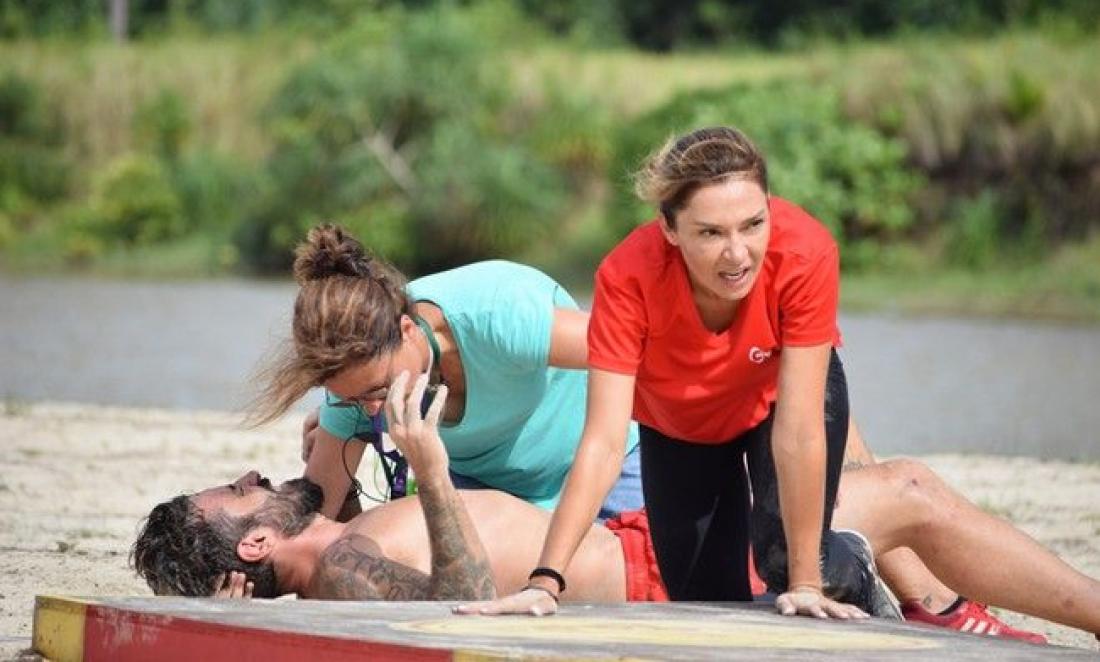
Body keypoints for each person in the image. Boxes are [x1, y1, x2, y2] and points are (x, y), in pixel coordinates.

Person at [132, 374, 1100, 645]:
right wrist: (429, 469)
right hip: (662, 576)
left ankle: (937, 606)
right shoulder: (344, 569)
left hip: (646, 547)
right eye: (240, 491)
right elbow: (452, 600)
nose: (253, 475)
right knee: (909, 490)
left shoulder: (340, 542)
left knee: (822, 433)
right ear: (256, 542)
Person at [457, 126, 880, 620]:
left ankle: (855, 571)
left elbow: (800, 431)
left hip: (775, 401)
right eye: (710, 233)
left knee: (787, 563)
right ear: (670, 229)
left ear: (770, 208)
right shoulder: (627, 277)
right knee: (704, 604)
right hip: (681, 422)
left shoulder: (805, 250)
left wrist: (806, 583)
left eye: (753, 225)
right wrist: (544, 582)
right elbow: (604, 443)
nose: (738, 253)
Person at [251, 224, 642, 522]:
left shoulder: (498, 316)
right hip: (488, 495)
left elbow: (638, 350)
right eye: (352, 400)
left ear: (407, 330)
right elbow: (315, 522)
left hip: (605, 467)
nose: (372, 411)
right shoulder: (354, 386)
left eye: (380, 390)